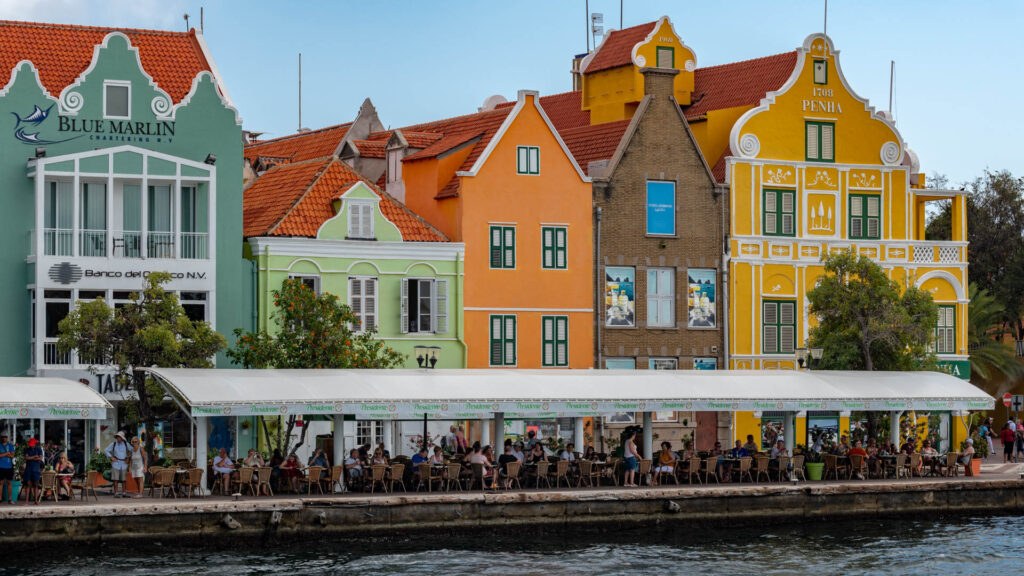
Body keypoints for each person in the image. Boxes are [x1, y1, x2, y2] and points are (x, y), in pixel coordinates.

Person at [105, 431, 130, 498]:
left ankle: (124, 492)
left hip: (124, 463)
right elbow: (106, 450)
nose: (118, 438)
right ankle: (116, 492)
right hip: (116, 463)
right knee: (115, 479)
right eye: (117, 437)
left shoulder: (126, 444)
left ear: (122, 438)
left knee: (123, 479)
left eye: (119, 437)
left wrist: (128, 458)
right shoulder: (113, 444)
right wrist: (111, 457)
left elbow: (132, 450)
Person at [22, 438, 43, 505]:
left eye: (32, 444)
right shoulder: (26, 449)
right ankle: (26, 501)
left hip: (36, 470)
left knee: (36, 485)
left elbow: (40, 458)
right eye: (30, 445)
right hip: (28, 469)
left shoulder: (39, 449)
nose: (31, 446)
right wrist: (34, 457)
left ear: (35, 444)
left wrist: (31, 458)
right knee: (28, 485)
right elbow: (26, 458)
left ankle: (36, 501)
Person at [0, 433, 14, 504]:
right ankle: (0, 499)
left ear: (7, 437)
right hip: (1, 466)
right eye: (2, 437)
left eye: (5, 437)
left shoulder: (10, 446)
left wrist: (2, 454)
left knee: (9, 482)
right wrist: (7, 453)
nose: (4, 438)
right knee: (0, 483)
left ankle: (10, 499)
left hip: (9, 467)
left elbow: (12, 456)